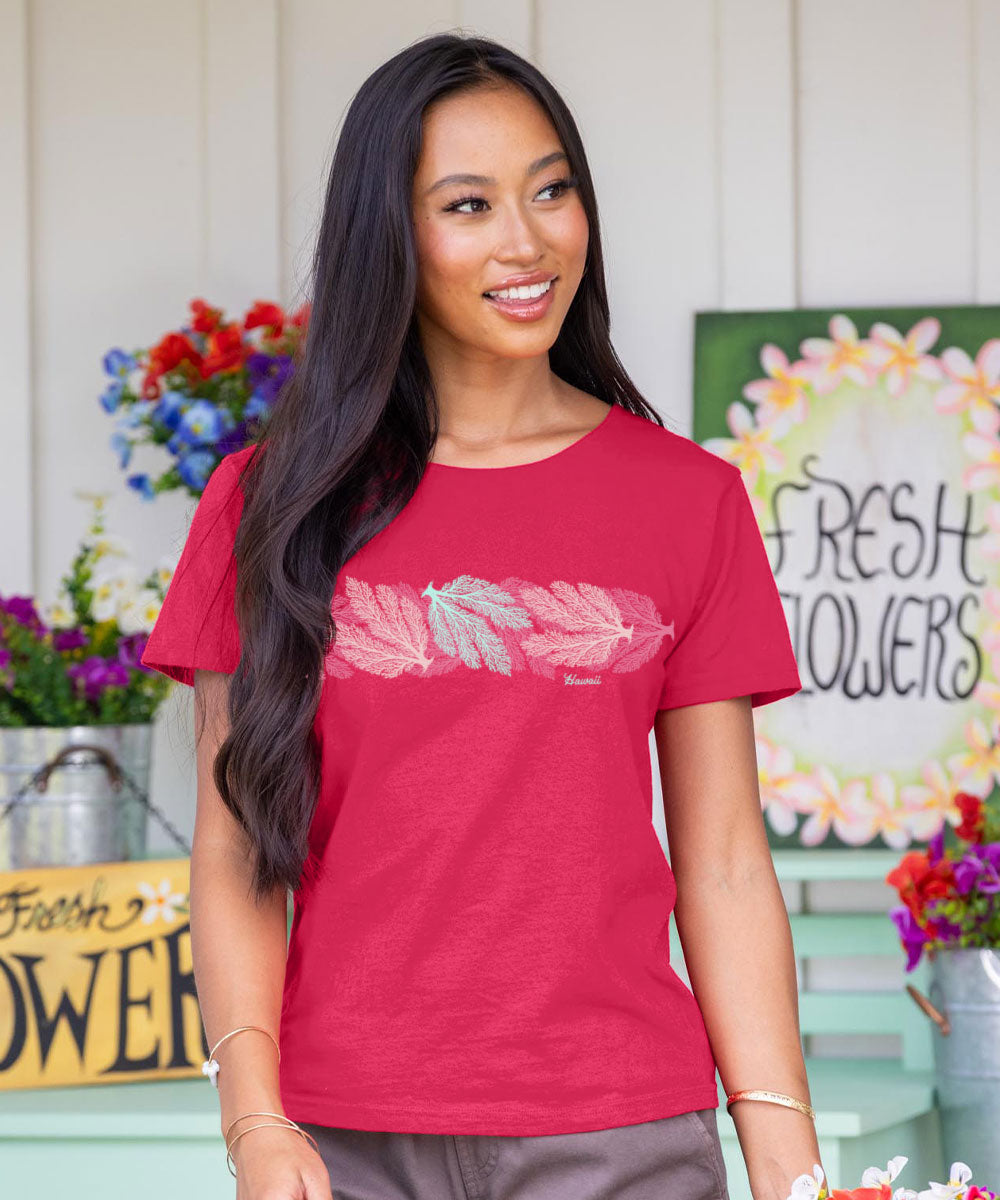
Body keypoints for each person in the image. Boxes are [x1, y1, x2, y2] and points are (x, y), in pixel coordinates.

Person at [140, 31, 822, 1200]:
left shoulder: (687, 501)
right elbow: (237, 848)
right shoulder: (267, 507)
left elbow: (721, 862)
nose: (527, 241)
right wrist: (254, 1122)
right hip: (342, 1144)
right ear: (388, 238)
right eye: (468, 205)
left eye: (551, 190)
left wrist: (787, 1154)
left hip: (620, 1136)